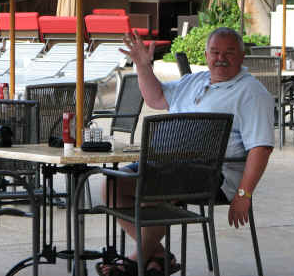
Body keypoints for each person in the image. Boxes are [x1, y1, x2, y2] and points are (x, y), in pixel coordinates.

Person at [97, 27, 275, 276]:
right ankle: (156, 254)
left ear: (242, 57)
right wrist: (142, 65)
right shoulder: (195, 80)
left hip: (215, 175)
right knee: (112, 185)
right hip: (167, 166)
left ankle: (134, 262)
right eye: (214, 52)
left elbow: (261, 147)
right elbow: (156, 99)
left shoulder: (252, 93)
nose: (221, 58)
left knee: (155, 187)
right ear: (206, 54)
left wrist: (244, 194)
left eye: (229, 52)